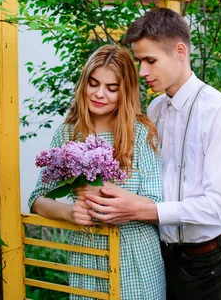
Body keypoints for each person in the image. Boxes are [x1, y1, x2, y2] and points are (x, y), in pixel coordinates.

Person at [84, 8, 221, 299]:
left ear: (180, 51)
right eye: (139, 61)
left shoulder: (220, 112)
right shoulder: (155, 109)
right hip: (156, 261)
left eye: (150, 61)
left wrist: (146, 211)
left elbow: (219, 206)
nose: (142, 71)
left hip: (203, 268)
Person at [28, 45, 166, 299]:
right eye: (94, 84)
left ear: (125, 92)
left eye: (112, 88)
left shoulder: (141, 132)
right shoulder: (68, 134)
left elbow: (157, 203)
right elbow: (38, 199)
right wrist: (69, 213)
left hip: (135, 253)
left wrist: (112, 197)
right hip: (87, 252)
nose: (100, 94)